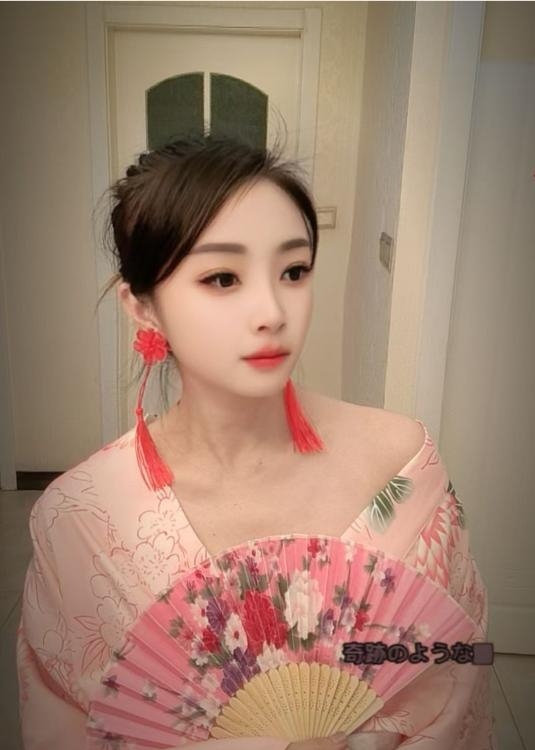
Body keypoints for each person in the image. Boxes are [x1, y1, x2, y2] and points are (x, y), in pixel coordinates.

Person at [16, 135, 495, 749]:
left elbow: (459, 671)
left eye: (294, 271)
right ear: (142, 308)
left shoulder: (401, 467)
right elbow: (69, 730)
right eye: (222, 277)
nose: (272, 311)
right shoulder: (81, 520)